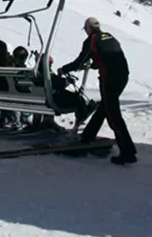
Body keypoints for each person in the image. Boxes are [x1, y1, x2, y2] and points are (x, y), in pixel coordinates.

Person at [59, 17, 138, 165]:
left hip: (110, 79)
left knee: (113, 115)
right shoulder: (109, 37)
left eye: (85, 29)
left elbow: (79, 62)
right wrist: (95, 64)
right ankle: (88, 134)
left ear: (89, 28)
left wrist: (64, 69)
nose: (86, 32)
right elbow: (108, 56)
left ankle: (128, 152)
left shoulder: (92, 40)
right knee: (105, 107)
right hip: (123, 76)